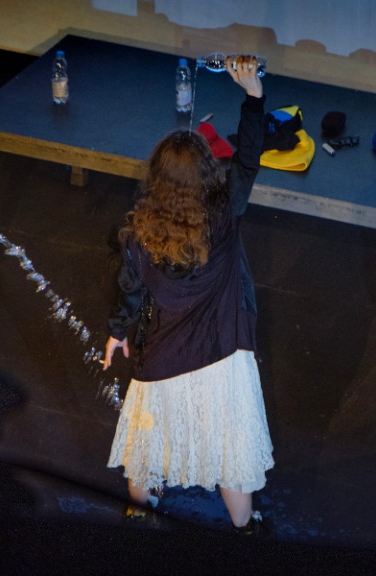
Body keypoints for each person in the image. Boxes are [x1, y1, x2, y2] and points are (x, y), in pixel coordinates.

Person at [102, 55, 274, 536]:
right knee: (230, 454)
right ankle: (245, 528)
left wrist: (118, 334)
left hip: (164, 360)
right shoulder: (224, 215)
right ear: (206, 175)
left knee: (146, 450)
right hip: (222, 355)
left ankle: (141, 512)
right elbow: (247, 160)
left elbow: (132, 294)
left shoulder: (137, 235)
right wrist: (254, 97)